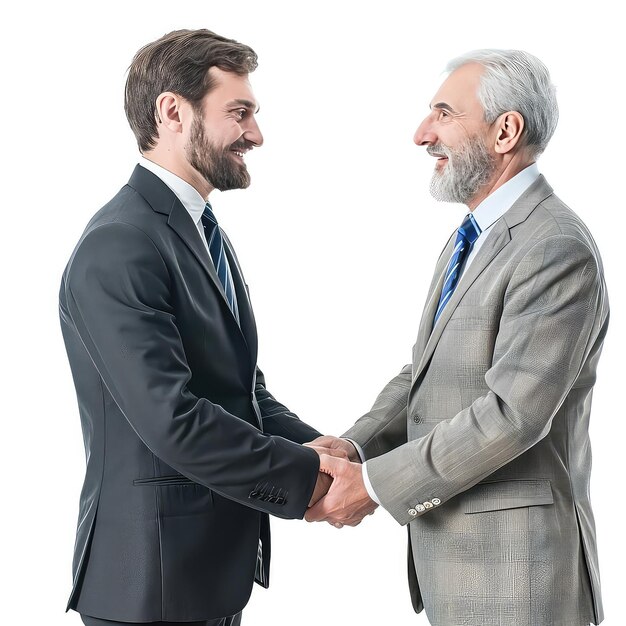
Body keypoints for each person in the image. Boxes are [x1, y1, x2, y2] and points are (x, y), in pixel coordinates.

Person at [306, 49, 608, 626]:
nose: (422, 134)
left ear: (505, 131)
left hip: (519, 578)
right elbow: (425, 372)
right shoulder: (472, 236)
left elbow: (512, 414)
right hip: (463, 565)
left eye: (444, 114)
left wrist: (372, 485)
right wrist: (355, 446)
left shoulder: (554, 247)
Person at [59, 29, 335, 626]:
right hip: (149, 588)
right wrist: (309, 479)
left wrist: (323, 448)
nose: (256, 135)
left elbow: (237, 388)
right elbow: (173, 419)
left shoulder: (196, 230)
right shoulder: (121, 243)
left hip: (202, 579)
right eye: (239, 113)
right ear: (172, 112)